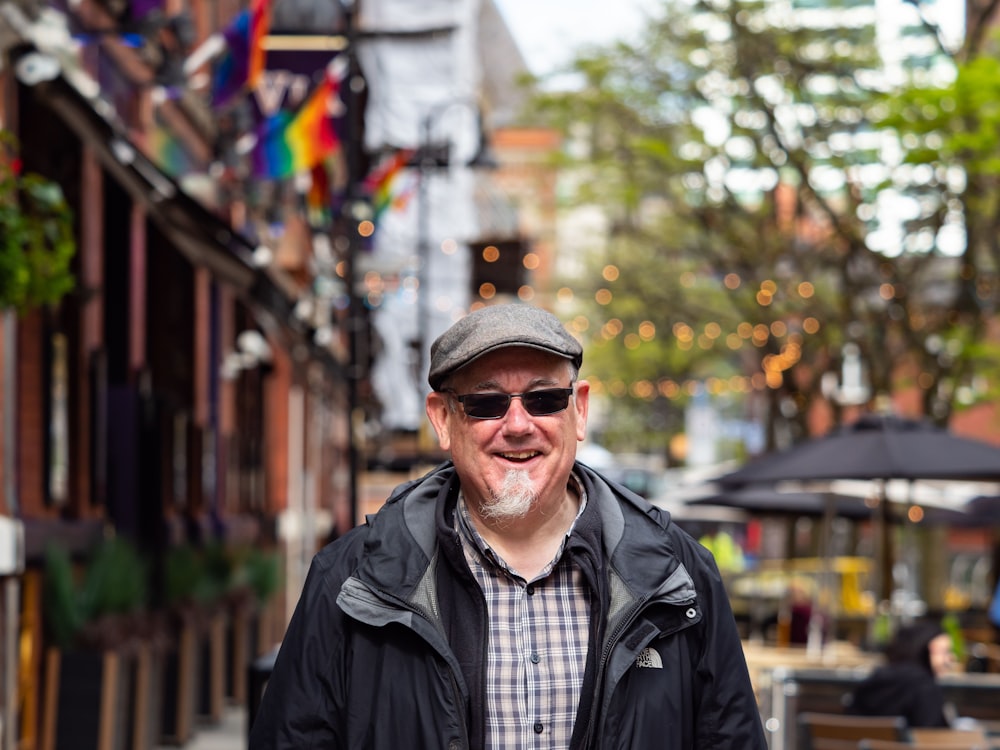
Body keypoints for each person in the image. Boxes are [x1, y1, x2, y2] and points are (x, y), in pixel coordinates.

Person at [249, 303, 768, 749]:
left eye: (544, 399)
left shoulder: (679, 576)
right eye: (486, 402)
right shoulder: (350, 582)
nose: (518, 425)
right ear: (443, 420)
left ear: (579, 411)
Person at [847, 619, 958, 728]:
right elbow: (932, 737)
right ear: (925, 649)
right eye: (944, 652)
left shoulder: (874, 680)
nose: (950, 659)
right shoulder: (925, 687)